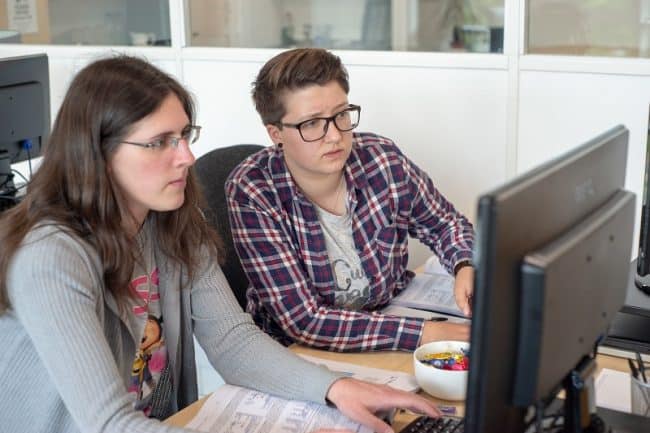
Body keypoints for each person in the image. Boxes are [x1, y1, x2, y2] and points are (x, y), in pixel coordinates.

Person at [0, 55, 440, 433]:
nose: (187, 157)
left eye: (185, 136)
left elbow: (232, 340)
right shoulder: (51, 257)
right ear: (96, 153)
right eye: (159, 143)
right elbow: (110, 425)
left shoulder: (169, 223)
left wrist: (335, 388)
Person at [226, 48, 475, 353]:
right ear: (275, 133)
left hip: (385, 320)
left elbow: (444, 224)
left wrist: (465, 264)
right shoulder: (253, 189)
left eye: (341, 114)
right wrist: (425, 333)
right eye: (312, 123)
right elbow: (304, 320)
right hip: (297, 349)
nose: (334, 136)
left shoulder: (381, 158)